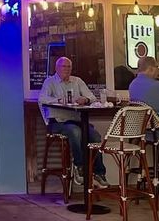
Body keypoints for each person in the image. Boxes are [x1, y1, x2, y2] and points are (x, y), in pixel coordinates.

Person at [38, 57, 108, 188]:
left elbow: (92, 97)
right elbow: (42, 99)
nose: (66, 69)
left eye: (69, 67)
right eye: (63, 66)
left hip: (76, 120)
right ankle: (79, 167)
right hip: (57, 122)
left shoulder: (77, 81)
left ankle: (99, 172)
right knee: (75, 132)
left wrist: (85, 100)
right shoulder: (50, 82)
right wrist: (58, 100)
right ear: (56, 68)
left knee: (95, 136)